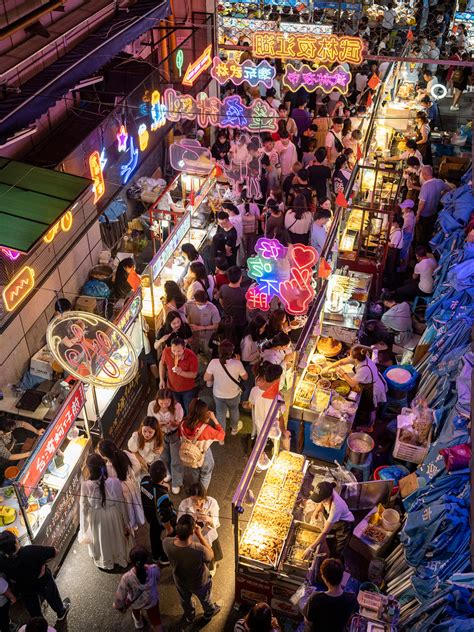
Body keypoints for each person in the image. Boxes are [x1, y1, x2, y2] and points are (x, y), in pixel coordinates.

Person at [163, 515, 220, 624]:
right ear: (192, 532)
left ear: (177, 528)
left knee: (185, 599)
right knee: (205, 599)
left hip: (180, 581)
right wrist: (199, 535)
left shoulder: (166, 543)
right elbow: (211, 555)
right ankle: (208, 613)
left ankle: (190, 615)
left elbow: (174, 540)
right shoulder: (198, 549)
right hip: (199, 582)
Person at [0, 533, 70, 623]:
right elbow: (55, 552)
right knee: (52, 596)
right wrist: (42, 564)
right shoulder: (29, 550)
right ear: (15, 543)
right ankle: (61, 612)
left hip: (24, 588)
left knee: (34, 610)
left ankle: (40, 626)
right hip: (42, 581)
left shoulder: (2, 560)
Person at [79, 454, 132, 570]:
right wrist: (126, 523)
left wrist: (83, 529)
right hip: (114, 514)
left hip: (96, 517)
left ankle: (106, 560)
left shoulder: (85, 485)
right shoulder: (115, 482)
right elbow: (121, 503)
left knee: (101, 540)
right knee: (116, 537)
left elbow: (83, 508)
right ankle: (119, 558)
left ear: (89, 469)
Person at [325, 346, 387, 427]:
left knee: (371, 408)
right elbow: (342, 362)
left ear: (355, 359)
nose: (349, 357)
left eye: (350, 355)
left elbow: (352, 383)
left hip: (372, 388)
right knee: (367, 406)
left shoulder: (364, 369)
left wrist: (342, 373)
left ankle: (370, 425)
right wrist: (329, 367)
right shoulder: (362, 357)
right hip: (369, 381)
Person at [98, 439, 144, 531]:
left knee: (128, 509)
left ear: (104, 456)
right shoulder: (125, 453)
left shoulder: (108, 468)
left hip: (121, 492)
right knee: (135, 503)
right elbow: (137, 466)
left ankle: (132, 525)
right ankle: (137, 522)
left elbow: (111, 486)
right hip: (132, 485)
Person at [204, 340, 247, 436]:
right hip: (233, 394)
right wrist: (239, 362)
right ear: (232, 352)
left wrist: (216, 375)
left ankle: (221, 436)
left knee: (220, 414)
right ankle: (234, 429)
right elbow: (245, 377)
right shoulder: (237, 364)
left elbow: (206, 378)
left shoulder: (213, 362)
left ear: (219, 351)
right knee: (234, 410)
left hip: (218, 394)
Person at [114, 546, 162, 631]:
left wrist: (118, 605)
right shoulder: (154, 569)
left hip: (136, 602)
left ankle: (139, 623)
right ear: (146, 559)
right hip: (151, 599)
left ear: (132, 561)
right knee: (156, 620)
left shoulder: (127, 577)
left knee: (135, 610)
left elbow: (120, 595)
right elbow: (157, 579)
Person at [179, 399, 225, 489]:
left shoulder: (183, 423)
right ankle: (201, 495)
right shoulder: (205, 429)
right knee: (206, 474)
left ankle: (194, 489)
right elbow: (221, 436)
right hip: (203, 454)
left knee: (194, 472)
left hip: (189, 454)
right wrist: (214, 419)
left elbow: (179, 436)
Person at [303, 558, 358, 632]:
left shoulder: (316, 598)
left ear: (324, 578)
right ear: (342, 576)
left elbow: (308, 622)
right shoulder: (351, 598)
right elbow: (351, 620)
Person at [304, 482, 355, 562]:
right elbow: (322, 502)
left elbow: (324, 532)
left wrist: (310, 548)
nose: (319, 501)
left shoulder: (335, 507)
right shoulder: (327, 490)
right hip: (335, 522)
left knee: (338, 550)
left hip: (344, 525)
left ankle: (336, 564)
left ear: (329, 497)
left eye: (320, 499)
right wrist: (316, 512)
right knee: (330, 542)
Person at [140, 460, 177, 565]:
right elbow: (164, 515)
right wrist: (169, 528)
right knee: (171, 537)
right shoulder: (162, 495)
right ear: (164, 476)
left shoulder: (144, 481)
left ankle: (155, 556)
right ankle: (165, 558)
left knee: (154, 535)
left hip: (150, 516)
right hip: (160, 520)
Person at [147, 389, 183, 494]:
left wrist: (174, 423)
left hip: (174, 434)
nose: (164, 405)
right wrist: (158, 425)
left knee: (176, 460)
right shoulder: (151, 406)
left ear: (171, 400)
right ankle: (168, 473)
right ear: (157, 400)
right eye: (161, 402)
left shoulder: (177, 407)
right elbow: (150, 421)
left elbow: (180, 424)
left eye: (167, 402)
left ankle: (176, 483)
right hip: (160, 434)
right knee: (164, 457)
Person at [159, 338, 198, 413]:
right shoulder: (166, 351)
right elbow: (162, 363)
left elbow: (194, 375)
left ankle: (187, 423)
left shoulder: (191, 356)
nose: (176, 353)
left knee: (188, 409)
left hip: (188, 389)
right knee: (177, 410)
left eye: (179, 351)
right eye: (173, 350)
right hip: (172, 388)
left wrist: (181, 372)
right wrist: (161, 379)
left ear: (184, 348)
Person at [416, 166, 452, 246]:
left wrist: (418, 215)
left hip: (424, 214)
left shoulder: (425, 186)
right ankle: (429, 242)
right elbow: (449, 189)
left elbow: (422, 203)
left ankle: (423, 245)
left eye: (422, 174)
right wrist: (442, 194)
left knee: (423, 232)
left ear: (424, 174)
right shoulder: (439, 182)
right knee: (430, 229)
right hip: (434, 211)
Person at [185, 290, 220, 357]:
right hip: (193, 336)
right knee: (192, 353)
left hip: (207, 337)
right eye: (199, 304)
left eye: (203, 304)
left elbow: (216, 325)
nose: (202, 305)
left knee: (208, 352)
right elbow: (184, 316)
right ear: (194, 300)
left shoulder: (212, 308)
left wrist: (201, 328)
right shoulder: (189, 305)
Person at [218, 266, 248, 339]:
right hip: (241, 321)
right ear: (240, 278)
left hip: (227, 320)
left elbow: (221, 301)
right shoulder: (244, 292)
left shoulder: (223, 288)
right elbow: (247, 307)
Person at [384, 215, 404, 287]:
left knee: (391, 267)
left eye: (393, 222)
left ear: (397, 223)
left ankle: (390, 284)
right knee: (390, 265)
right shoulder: (395, 228)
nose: (392, 223)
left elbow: (393, 245)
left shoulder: (398, 232)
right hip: (392, 250)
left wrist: (385, 242)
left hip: (394, 252)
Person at [399, 199, 416, 270]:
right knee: (406, 250)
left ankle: (402, 268)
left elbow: (401, 228)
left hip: (406, 236)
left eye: (404, 207)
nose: (402, 208)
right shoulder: (410, 213)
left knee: (404, 252)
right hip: (409, 235)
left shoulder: (408, 218)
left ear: (408, 209)